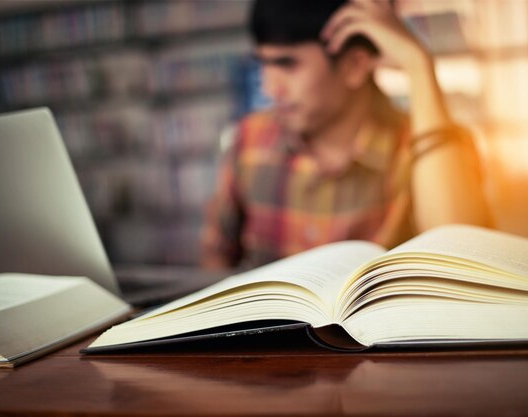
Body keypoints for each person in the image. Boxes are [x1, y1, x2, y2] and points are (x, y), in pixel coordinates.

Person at [201, 0, 490, 269]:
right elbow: (214, 261)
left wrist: (418, 66)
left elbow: (466, 266)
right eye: (264, 64)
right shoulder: (249, 140)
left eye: (287, 65)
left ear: (354, 65)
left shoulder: (430, 149)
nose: (270, 89)